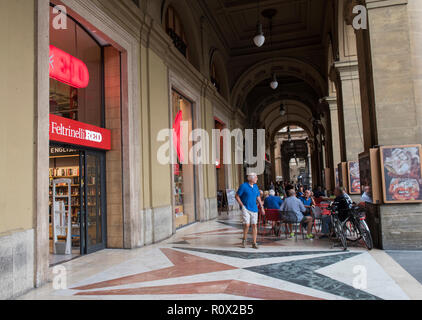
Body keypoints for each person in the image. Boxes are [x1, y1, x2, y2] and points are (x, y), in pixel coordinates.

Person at [235, 173, 265, 249]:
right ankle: (244, 239)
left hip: (254, 208)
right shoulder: (243, 186)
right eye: (256, 177)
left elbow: (258, 196)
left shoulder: (255, 186)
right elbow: (237, 196)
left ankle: (254, 243)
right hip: (246, 208)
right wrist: (242, 205)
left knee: (254, 225)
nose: (257, 179)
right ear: (251, 178)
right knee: (247, 224)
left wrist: (261, 207)